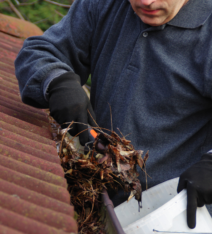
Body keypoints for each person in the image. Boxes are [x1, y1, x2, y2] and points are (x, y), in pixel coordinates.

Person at [15, 0, 212, 229]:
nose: (146, 2)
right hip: (94, 205)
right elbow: (38, 51)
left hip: (174, 217)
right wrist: (57, 81)